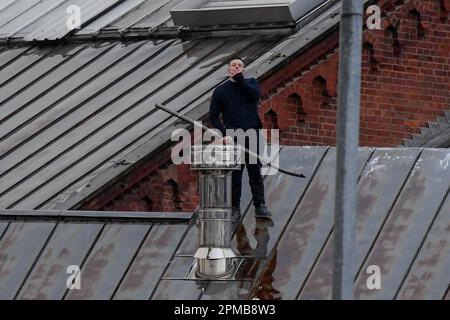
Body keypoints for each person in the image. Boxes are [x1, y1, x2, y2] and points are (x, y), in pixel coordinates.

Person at [209, 57, 272, 222]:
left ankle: (260, 206)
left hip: (252, 133)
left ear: (244, 69)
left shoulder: (251, 83)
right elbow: (213, 117)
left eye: (239, 65)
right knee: (236, 174)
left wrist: (240, 81)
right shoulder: (221, 91)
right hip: (233, 136)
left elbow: (255, 95)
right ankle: (234, 208)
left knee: (255, 172)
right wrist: (224, 134)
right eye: (233, 65)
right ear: (228, 69)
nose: (236, 67)